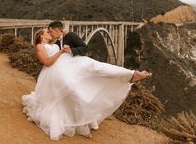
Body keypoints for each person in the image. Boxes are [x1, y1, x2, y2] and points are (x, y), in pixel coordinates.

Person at [22, 28, 152, 140]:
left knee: (96, 68)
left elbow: (64, 44)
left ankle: (131, 74)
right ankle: (82, 126)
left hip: (70, 65)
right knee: (77, 92)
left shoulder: (55, 43)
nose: (50, 32)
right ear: (41, 36)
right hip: (56, 72)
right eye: (47, 32)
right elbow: (47, 62)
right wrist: (61, 52)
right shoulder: (39, 47)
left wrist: (65, 35)